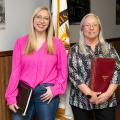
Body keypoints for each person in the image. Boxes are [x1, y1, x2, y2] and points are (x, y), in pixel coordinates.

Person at [5, 6, 68, 120]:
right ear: (33, 20)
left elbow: (63, 71)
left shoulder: (57, 44)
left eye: (46, 18)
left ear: (49, 22)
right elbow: (15, 72)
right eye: (38, 17)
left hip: (46, 93)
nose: (42, 21)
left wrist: (55, 89)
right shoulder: (20, 42)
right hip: (24, 92)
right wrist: (11, 97)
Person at [68, 13, 120, 120]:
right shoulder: (74, 50)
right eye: (87, 25)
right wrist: (90, 94)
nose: (91, 28)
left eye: (94, 25)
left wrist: (108, 93)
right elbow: (73, 74)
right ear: (82, 29)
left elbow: (117, 71)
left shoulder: (109, 48)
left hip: (106, 100)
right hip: (80, 100)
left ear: (99, 28)